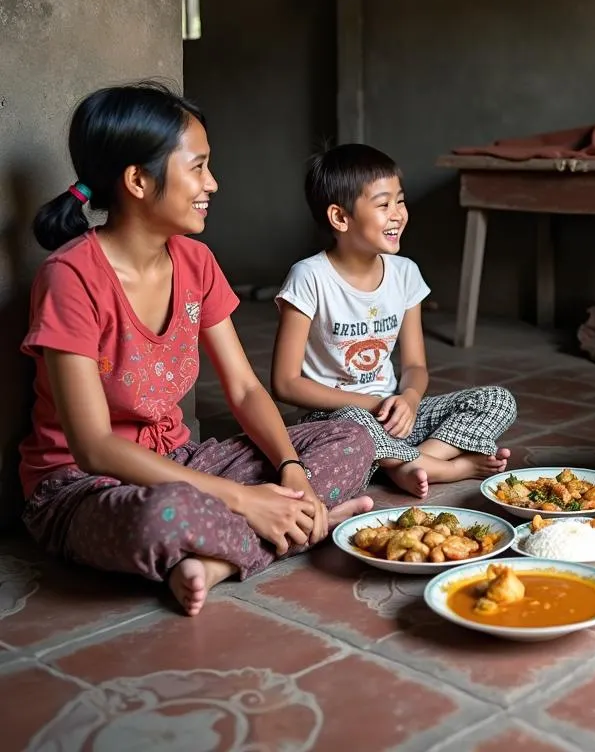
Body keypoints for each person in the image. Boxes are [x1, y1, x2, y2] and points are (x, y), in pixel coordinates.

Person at [19, 84, 376, 617]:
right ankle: (306, 526)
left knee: (350, 436)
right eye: (199, 167)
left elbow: (244, 387)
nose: (213, 183)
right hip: (82, 489)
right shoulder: (70, 278)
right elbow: (93, 446)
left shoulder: (196, 261)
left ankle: (218, 562)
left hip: (179, 462)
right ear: (138, 180)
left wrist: (290, 467)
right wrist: (241, 498)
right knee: (161, 518)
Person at [271, 143, 516, 500]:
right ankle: (446, 467)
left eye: (400, 201)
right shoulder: (310, 277)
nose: (398, 214)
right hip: (336, 420)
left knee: (498, 400)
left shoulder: (405, 274)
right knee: (353, 427)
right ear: (340, 218)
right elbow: (285, 383)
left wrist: (410, 400)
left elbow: (415, 365)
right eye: (383, 205)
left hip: (394, 412)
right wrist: (370, 405)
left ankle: (404, 464)